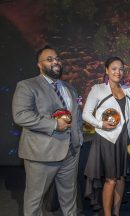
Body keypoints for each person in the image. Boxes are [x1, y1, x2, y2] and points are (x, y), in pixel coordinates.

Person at [12, 45, 83, 216]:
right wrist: (53, 125)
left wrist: (78, 139)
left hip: (70, 153)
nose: (56, 62)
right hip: (41, 155)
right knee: (34, 201)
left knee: (69, 198)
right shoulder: (27, 85)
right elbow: (20, 115)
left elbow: (76, 117)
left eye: (57, 58)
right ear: (39, 64)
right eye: (50, 59)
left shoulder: (69, 88)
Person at [82, 57, 130, 216]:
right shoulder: (98, 89)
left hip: (123, 140)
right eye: (114, 68)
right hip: (106, 139)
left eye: (120, 69)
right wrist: (101, 124)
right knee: (111, 179)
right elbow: (86, 114)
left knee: (121, 179)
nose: (117, 72)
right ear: (106, 70)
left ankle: (116, 212)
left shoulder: (128, 90)